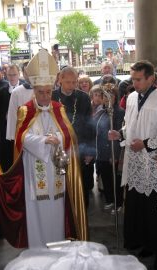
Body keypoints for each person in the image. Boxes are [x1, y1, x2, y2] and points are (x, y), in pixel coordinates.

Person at [0, 49, 88, 248]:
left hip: (56, 170)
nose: (45, 96)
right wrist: (42, 142)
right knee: (37, 210)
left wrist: (57, 138)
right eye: (40, 92)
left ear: (52, 89)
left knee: (57, 209)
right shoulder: (25, 110)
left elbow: (69, 135)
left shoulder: (59, 108)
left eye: (48, 91)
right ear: (34, 90)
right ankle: (38, 249)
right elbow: (21, 137)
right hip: (35, 169)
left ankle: (58, 246)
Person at [108, 60, 157, 270]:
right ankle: (137, 240)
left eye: (138, 79)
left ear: (150, 78)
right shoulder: (132, 97)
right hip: (134, 160)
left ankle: (152, 245)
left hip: (152, 162)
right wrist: (121, 134)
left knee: (151, 207)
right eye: (133, 79)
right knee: (135, 202)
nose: (134, 83)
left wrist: (145, 144)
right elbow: (130, 124)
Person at [52, 66, 93, 207]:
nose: (72, 86)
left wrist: (89, 150)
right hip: (57, 147)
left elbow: (89, 124)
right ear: (60, 80)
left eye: (74, 82)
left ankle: (81, 213)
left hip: (79, 147)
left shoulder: (83, 97)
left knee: (81, 183)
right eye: (68, 82)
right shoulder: (51, 97)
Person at [95, 75, 125, 213]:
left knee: (116, 180)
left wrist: (116, 154)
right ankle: (109, 200)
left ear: (115, 98)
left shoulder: (120, 113)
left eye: (110, 97)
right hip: (101, 153)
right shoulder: (100, 112)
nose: (107, 100)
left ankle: (118, 202)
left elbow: (118, 134)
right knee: (106, 178)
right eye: (105, 97)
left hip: (113, 152)